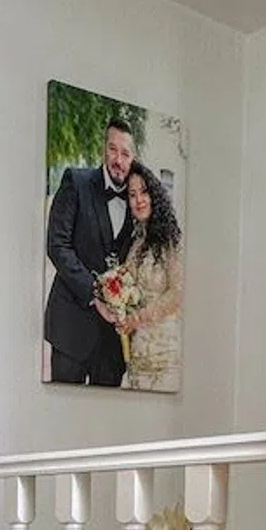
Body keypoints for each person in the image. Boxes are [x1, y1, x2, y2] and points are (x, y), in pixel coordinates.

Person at [43, 117, 135, 386]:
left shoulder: (138, 201)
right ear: (103, 149)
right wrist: (95, 295)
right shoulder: (76, 181)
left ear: (134, 158)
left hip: (112, 342)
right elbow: (57, 245)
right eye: (113, 149)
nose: (118, 159)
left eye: (125, 153)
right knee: (61, 408)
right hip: (71, 327)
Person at [114, 163, 182, 391]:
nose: (139, 200)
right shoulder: (136, 242)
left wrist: (138, 318)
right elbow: (127, 287)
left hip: (164, 354)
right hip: (136, 353)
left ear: (155, 195)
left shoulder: (170, 240)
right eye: (132, 195)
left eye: (144, 192)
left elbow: (178, 294)